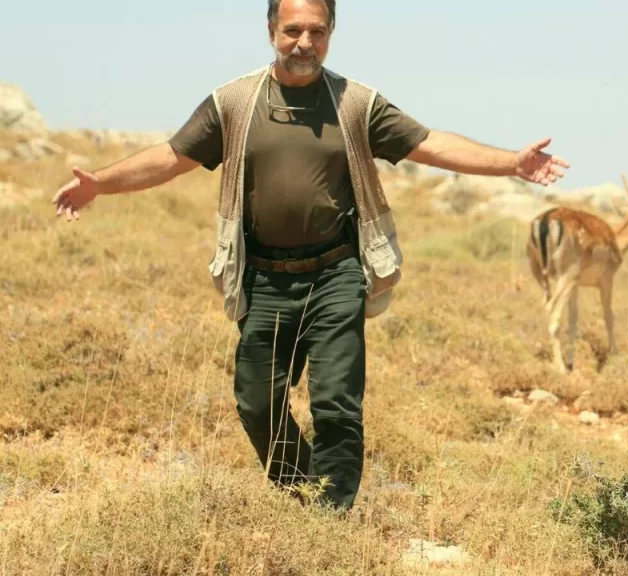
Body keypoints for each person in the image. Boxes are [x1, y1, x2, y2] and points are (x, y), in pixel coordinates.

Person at [50, 0, 570, 510]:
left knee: (336, 405)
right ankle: (304, 497)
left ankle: (331, 516)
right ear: (271, 31)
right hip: (263, 277)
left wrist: (510, 163)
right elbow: (171, 157)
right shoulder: (234, 103)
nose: (305, 43)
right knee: (257, 402)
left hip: (335, 274)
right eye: (293, 30)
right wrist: (100, 184)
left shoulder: (355, 103)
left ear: (331, 33)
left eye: (317, 31)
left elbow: (429, 143)